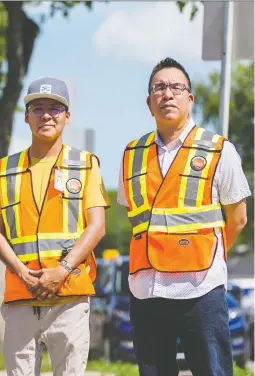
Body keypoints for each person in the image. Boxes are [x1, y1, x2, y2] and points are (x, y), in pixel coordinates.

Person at [118, 57, 251, 376]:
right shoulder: (131, 155)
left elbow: (238, 219)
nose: (167, 94)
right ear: (149, 103)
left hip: (200, 289)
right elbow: (135, 219)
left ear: (190, 99)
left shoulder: (218, 150)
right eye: (159, 88)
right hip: (147, 292)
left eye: (177, 87)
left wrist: (210, 256)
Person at [0, 77, 110, 375]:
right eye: (37, 108)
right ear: (26, 116)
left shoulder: (85, 164)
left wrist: (62, 270)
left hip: (69, 296)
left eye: (55, 109)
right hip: (20, 297)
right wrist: (22, 272)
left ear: (67, 117)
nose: (46, 116)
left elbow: (97, 226)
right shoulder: (5, 169)